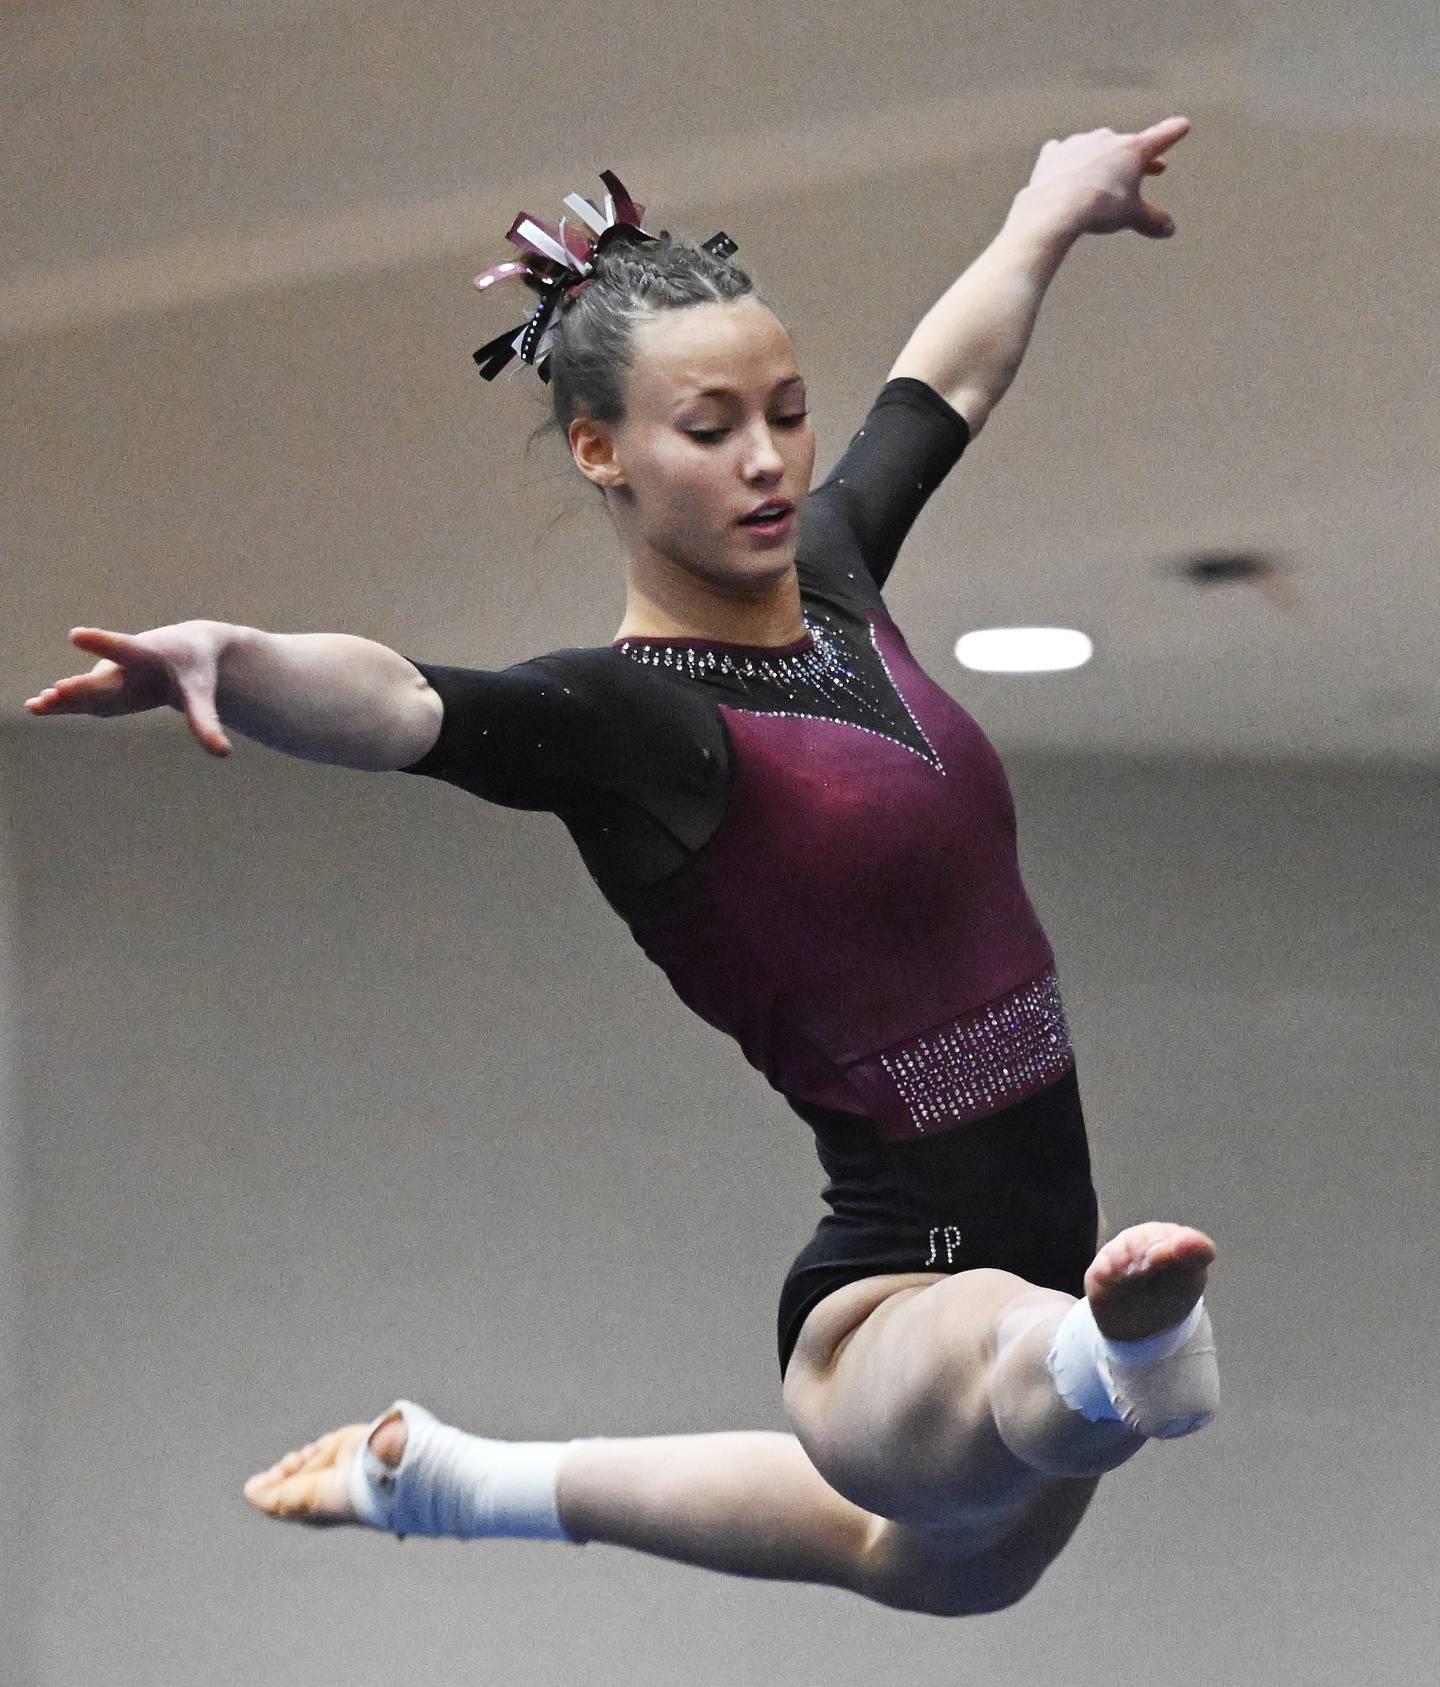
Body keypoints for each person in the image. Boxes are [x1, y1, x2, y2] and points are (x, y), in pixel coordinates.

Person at [27, 118, 1217, 1618]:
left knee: (952, 1576)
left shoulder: (842, 584)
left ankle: (454, 1481)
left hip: (1021, 1287)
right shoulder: (630, 721)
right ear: (601, 449)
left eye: (785, 412)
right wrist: (237, 660)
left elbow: (949, 376)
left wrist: (1053, 203)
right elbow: (401, 700)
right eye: (710, 429)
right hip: (891, 1309)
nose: (772, 459)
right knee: (1015, 1374)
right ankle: (1117, 1358)